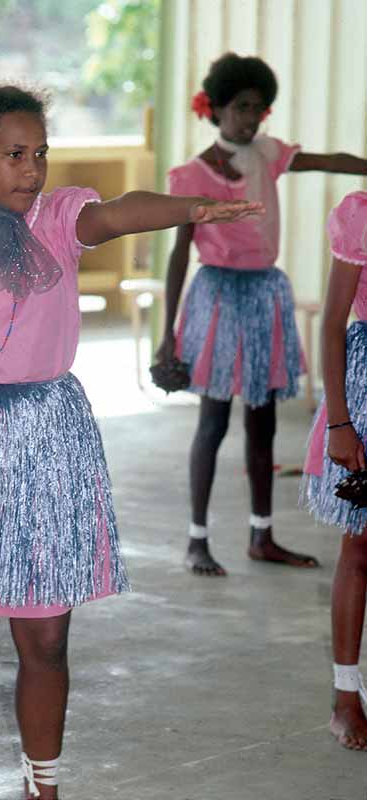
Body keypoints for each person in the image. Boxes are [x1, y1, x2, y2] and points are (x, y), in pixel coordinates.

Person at [0, 82, 261, 800]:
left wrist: (189, 211)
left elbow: (120, 213)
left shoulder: (56, 221)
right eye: (14, 155)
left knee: (45, 636)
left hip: (48, 432)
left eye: (40, 153)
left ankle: (44, 787)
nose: (32, 170)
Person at [155, 52, 367, 577]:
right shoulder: (192, 174)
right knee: (213, 420)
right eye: (243, 107)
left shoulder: (269, 154)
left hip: (265, 293)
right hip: (218, 296)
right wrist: (168, 334)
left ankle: (262, 533)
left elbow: (329, 159)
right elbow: (180, 253)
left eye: (260, 109)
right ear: (217, 108)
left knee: (264, 421)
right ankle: (198, 538)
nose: (252, 119)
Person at [302, 190, 367, 751]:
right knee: (361, 548)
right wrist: (341, 424)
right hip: (366, 396)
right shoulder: (361, 215)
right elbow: (331, 328)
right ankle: (346, 697)